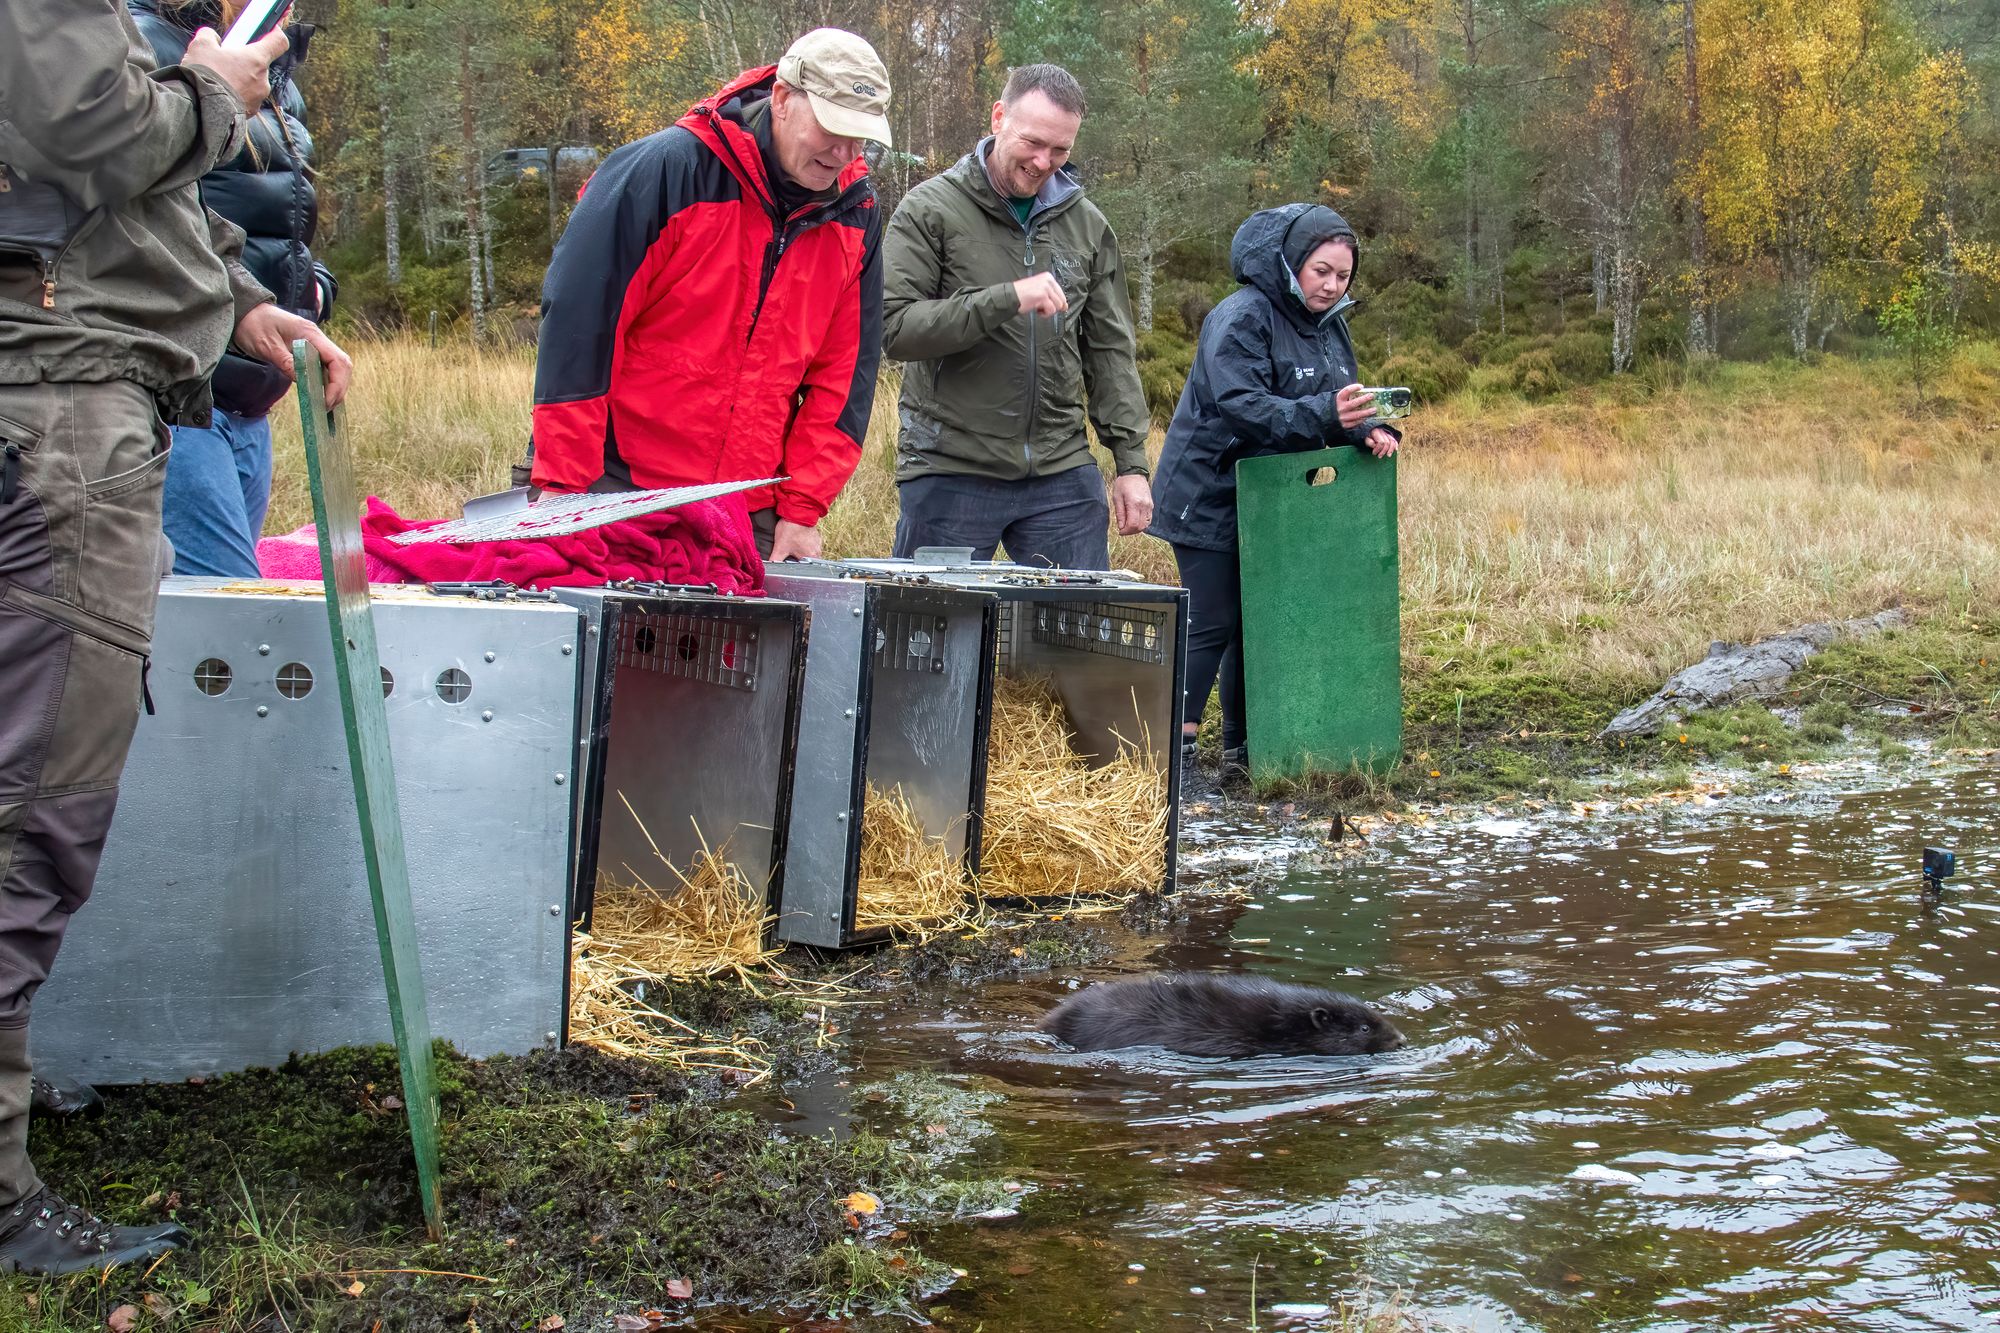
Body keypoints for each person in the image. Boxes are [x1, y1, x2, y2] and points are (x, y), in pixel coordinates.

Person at [0, 0, 349, 1274]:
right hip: (57, 408)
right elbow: (88, 129)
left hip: (75, 393)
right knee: (31, 813)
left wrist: (241, 300)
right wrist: (217, 88)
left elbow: (106, 202)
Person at [529, 28, 891, 564]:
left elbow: (846, 378)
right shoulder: (663, 172)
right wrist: (563, 487)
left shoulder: (857, 215)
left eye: (860, 137)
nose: (844, 152)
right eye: (833, 129)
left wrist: (801, 511)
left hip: (747, 514)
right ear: (784, 100)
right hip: (615, 490)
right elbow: (580, 327)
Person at [1146, 204, 1400, 795]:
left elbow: (1342, 400)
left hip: (1277, 502)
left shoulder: (1330, 323)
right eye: (1321, 271)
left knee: (1255, 623)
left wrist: (1369, 429)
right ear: (1291, 263)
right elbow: (1243, 406)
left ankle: (1242, 748)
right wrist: (1327, 414)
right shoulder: (1240, 317)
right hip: (1208, 489)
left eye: (1342, 276)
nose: (1332, 285)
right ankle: (1174, 757)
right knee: (1213, 620)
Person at [882, 63, 1153, 570]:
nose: (1043, 161)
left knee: (1077, 640)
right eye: (1032, 142)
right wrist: (1005, 298)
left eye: (1061, 150)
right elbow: (896, 330)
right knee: (927, 643)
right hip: (950, 468)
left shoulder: (1087, 225)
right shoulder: (929, 209)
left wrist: (1130, 463)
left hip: (1061, 473)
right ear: (998, 116)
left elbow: (1110, 351)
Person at [130, 0, 341, 578]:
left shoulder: (269, 68)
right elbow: (145, 218)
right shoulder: (147, 44)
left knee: (213, 627)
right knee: (223, 625)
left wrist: (311, 289)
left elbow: (276, 218)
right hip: (178, 392)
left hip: (251, 395)